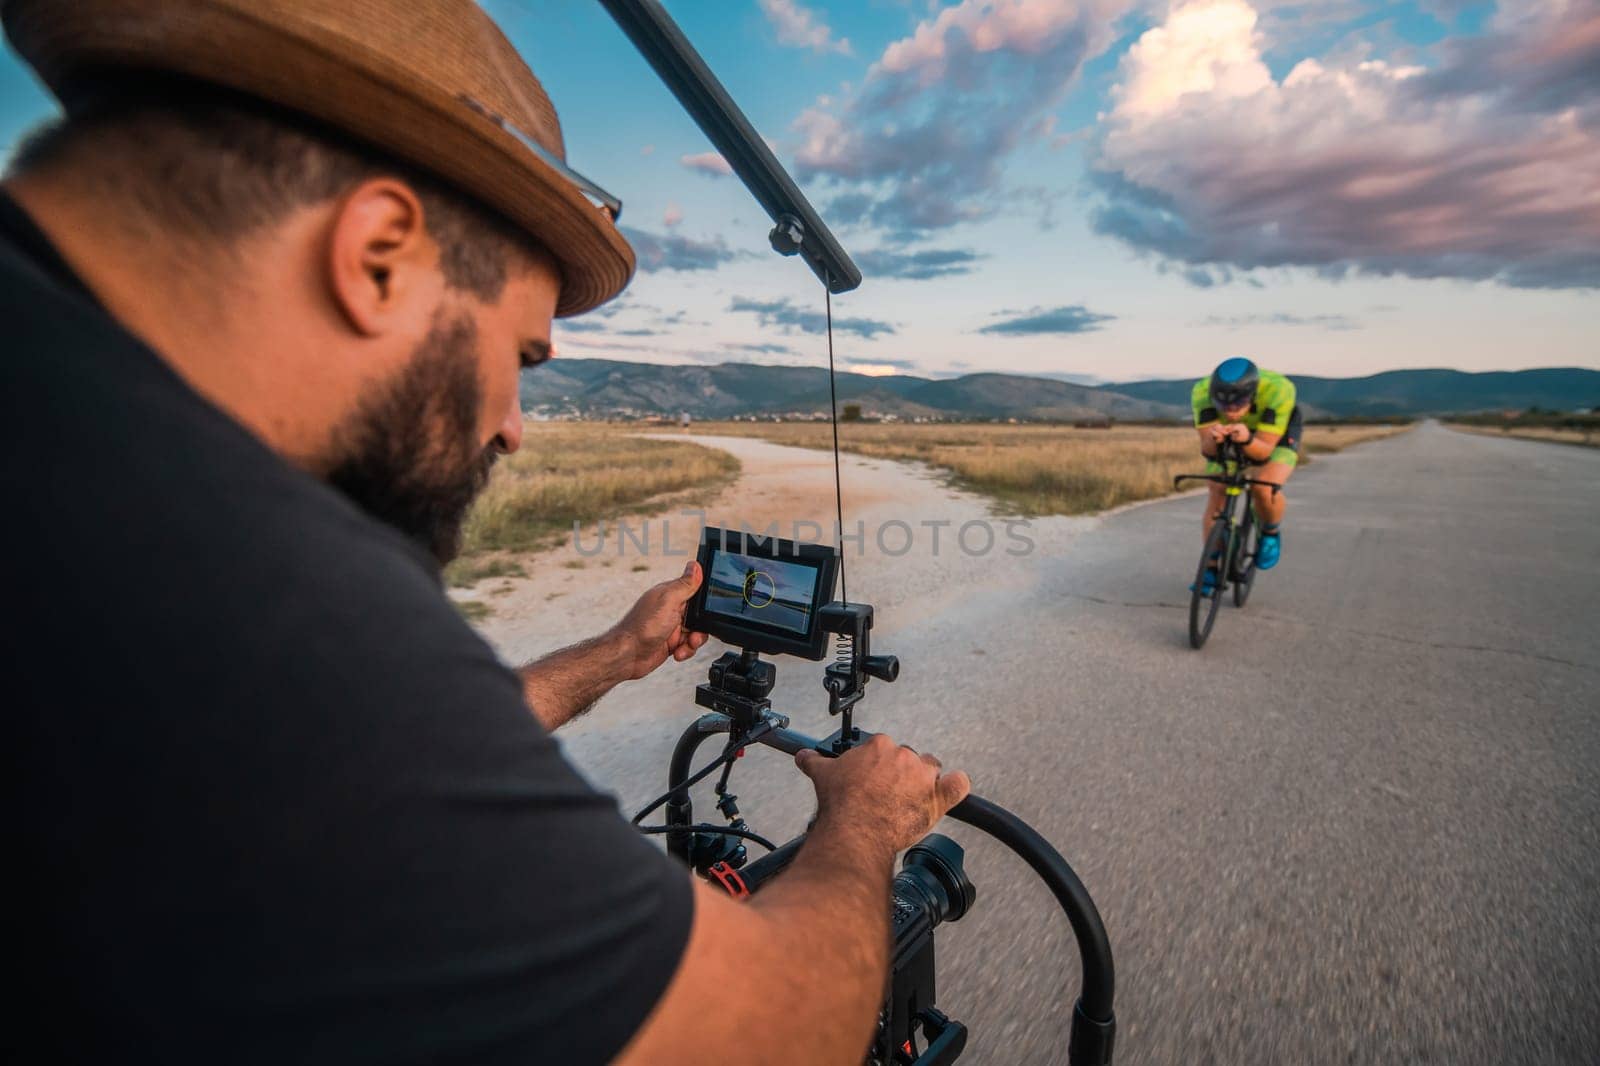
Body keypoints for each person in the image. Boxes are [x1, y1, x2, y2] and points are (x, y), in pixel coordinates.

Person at [3, 1, 969, 1063]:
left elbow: (351, 767)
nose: (511, 425)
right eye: (520, 354)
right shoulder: (238, 588)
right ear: (376, 256)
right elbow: (767, 1035)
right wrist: (869, 823)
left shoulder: (83, 447)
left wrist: (611, 656)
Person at [1190, 357, 1301, 590]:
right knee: (1217, 489)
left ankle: (1270, 531)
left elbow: (1262, 453)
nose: (1230, 411)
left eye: (1238, 403)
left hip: (1274, 435)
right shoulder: (1200, 392)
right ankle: (1209, 568)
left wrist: (1248, 439)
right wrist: (1213, 438)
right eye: (1222, 404)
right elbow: (1207, 451)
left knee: (1264, 486)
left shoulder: (1279, 390)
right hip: (1232, 434)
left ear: (1252, 394)